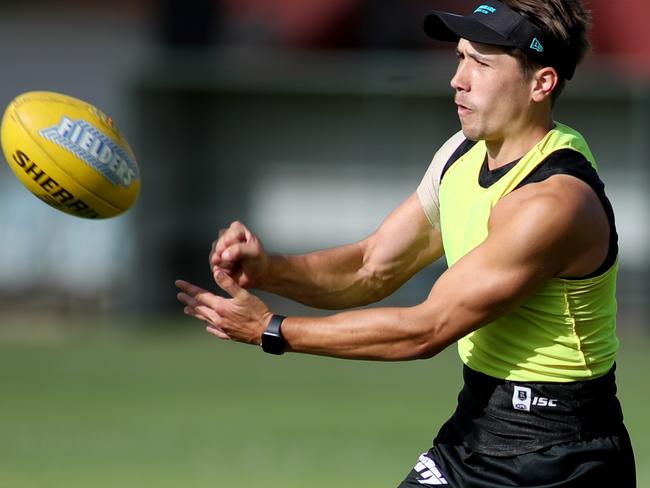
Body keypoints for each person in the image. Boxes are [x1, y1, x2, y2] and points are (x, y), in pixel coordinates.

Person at [175, 0, 636, 485]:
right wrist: (268, 270)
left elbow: (426, 330)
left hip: (561, 456)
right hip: (476, 428)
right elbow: (371, 266)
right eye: (460, 57)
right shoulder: (462, 153)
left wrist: (272, 329)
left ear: (542, 83)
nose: (458, 79)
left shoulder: (553, 202)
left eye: (481, 62)